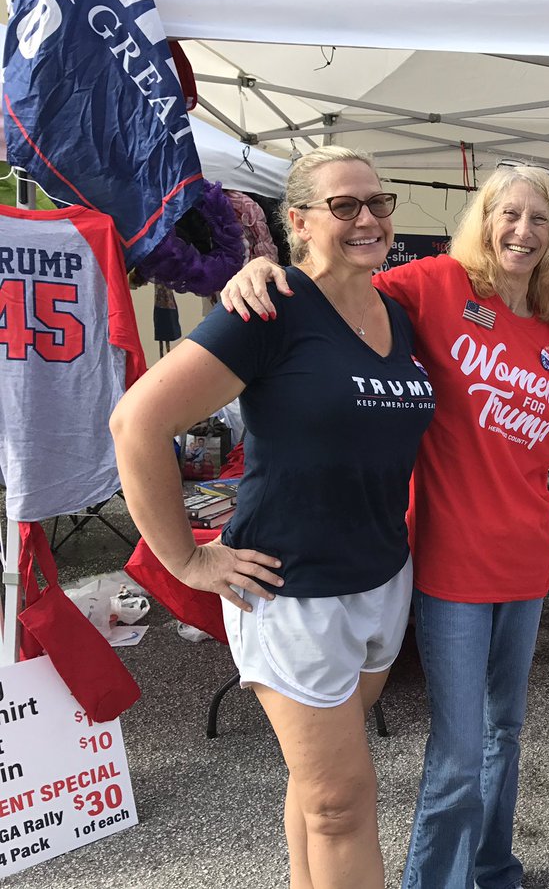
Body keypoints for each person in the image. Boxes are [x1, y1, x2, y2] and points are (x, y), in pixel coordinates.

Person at [218, 160, 549, 889]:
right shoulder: (435, 285)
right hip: (448, 568)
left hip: (528, 563)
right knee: (460, 751)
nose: (522, 231)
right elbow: (334, 283)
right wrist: (257, 272)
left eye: (539, 219)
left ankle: (494, 867)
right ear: (485, 221)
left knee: (507, 733)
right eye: (509, 213)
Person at [111, 146, 436, 889]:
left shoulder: (396, 312)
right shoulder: (270, 305)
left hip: (381, 576)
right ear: (298, 222)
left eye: (377, 203)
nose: (367, 218)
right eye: (344, 205)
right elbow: (136, 424)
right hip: (290, 592)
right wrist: (186, 561)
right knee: (345, 804)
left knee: (321, 788)